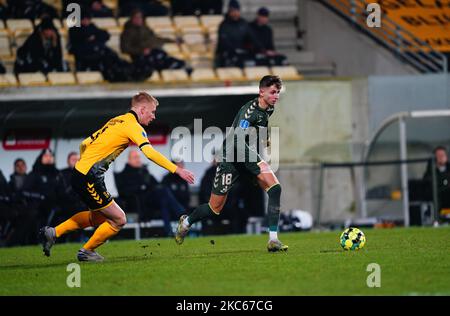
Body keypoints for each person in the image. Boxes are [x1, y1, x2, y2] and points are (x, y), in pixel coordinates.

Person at [40, 92, 194, 262]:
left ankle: (53, 233)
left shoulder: (115, 120)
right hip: (89, 176)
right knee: (119, 219)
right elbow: (149, 153)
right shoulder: (133, 126)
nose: (154, 116)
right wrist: (177, 170)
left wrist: (84, 163)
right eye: (152, 111)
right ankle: (86, 251)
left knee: (98, 217)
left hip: (80, 174)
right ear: (142, 109)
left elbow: (84, 143)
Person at [175, 75, 288, 252]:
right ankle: (186, 222)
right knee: (214, 209)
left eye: (278, 92)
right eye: (273, 92)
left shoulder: (268, 108)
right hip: (231, 157)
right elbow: (237, 141)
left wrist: (265, 141)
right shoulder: (248, 112)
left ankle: (273, 239)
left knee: (275, 189)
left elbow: (263, 124)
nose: (276, 96)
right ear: (261, 92)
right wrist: (254, 162)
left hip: (247, 153)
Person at [116, 149, 185, 236]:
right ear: (129, 160)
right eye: (135, 157)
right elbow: (124, 192)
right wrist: (142, 187)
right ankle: (180, 212)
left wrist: (146, 186)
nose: (138, 160)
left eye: (139, 157)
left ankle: (169, 231)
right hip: (137, 202)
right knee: (163, 193)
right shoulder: (124, 174)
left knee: (164, 198)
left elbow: (156, 184)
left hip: (150, 201)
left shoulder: (144, 171)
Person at [215, 0, 259, 68]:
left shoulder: (243, 23)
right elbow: (224, 42)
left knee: (255, 59)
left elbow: (253, 38)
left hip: (241, 53)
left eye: (237, 10)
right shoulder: (224, 25)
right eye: (233, 11)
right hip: (227, 54)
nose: (235, 13)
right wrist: (235, 50)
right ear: (229, 12)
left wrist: (262, 50)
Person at [423, 146, 450, 215]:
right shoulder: (430, 172)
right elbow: (426, 185)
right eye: (438, 155)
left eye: (443, 155)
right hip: (437, 200)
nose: (441, 157)